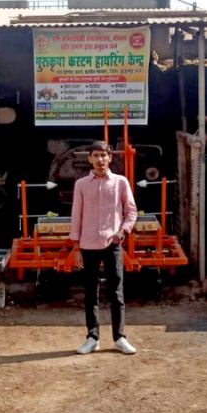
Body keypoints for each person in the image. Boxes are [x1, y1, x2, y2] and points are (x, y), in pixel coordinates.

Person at [69, 140, 138, 355]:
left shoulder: (120, 182)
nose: (100, 160)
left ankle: (120, 338)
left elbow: (131, 211)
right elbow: (76, 216)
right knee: (91, 293)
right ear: (89, 158)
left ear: (110, 157)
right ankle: (92, 337)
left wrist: (122, 232)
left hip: (112, 244)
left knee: (116, 293)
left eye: (104, 155)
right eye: (96, 155)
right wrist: (76, 247)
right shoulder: (81, 185)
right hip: (88, 245)